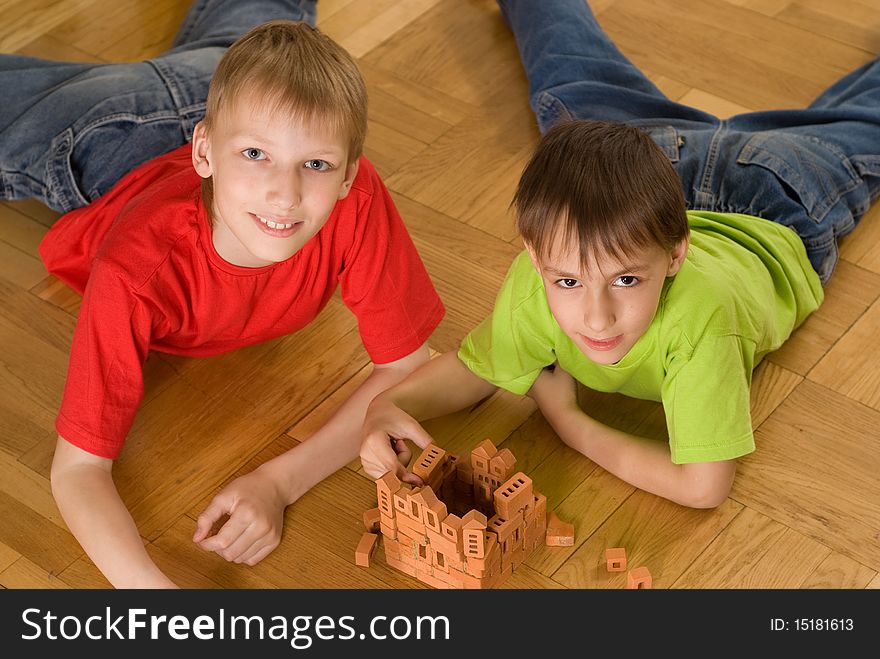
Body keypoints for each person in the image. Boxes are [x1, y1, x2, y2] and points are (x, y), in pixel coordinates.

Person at [359, 0, 880, 509]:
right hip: (646, 172)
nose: (597, 316)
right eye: (567, 283)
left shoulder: (701, 323)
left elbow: (703, 488)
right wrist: (388, 405)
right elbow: (478, 370)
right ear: (536, 262)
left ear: (677, 257)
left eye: (625, 282)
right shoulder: (544, 272)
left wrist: (570, 421)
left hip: (772, 199)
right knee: (567, 63)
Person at [8, 2, 444, 588]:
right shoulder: (134, 271)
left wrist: (279, 480)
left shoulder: (355, 197)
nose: (285, 195)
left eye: (315, 164)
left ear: (347, 176)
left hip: (243, 92)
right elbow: (78, 470)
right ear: (205, 152)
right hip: (110, 138)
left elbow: (410, 364)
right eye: (257, 157)